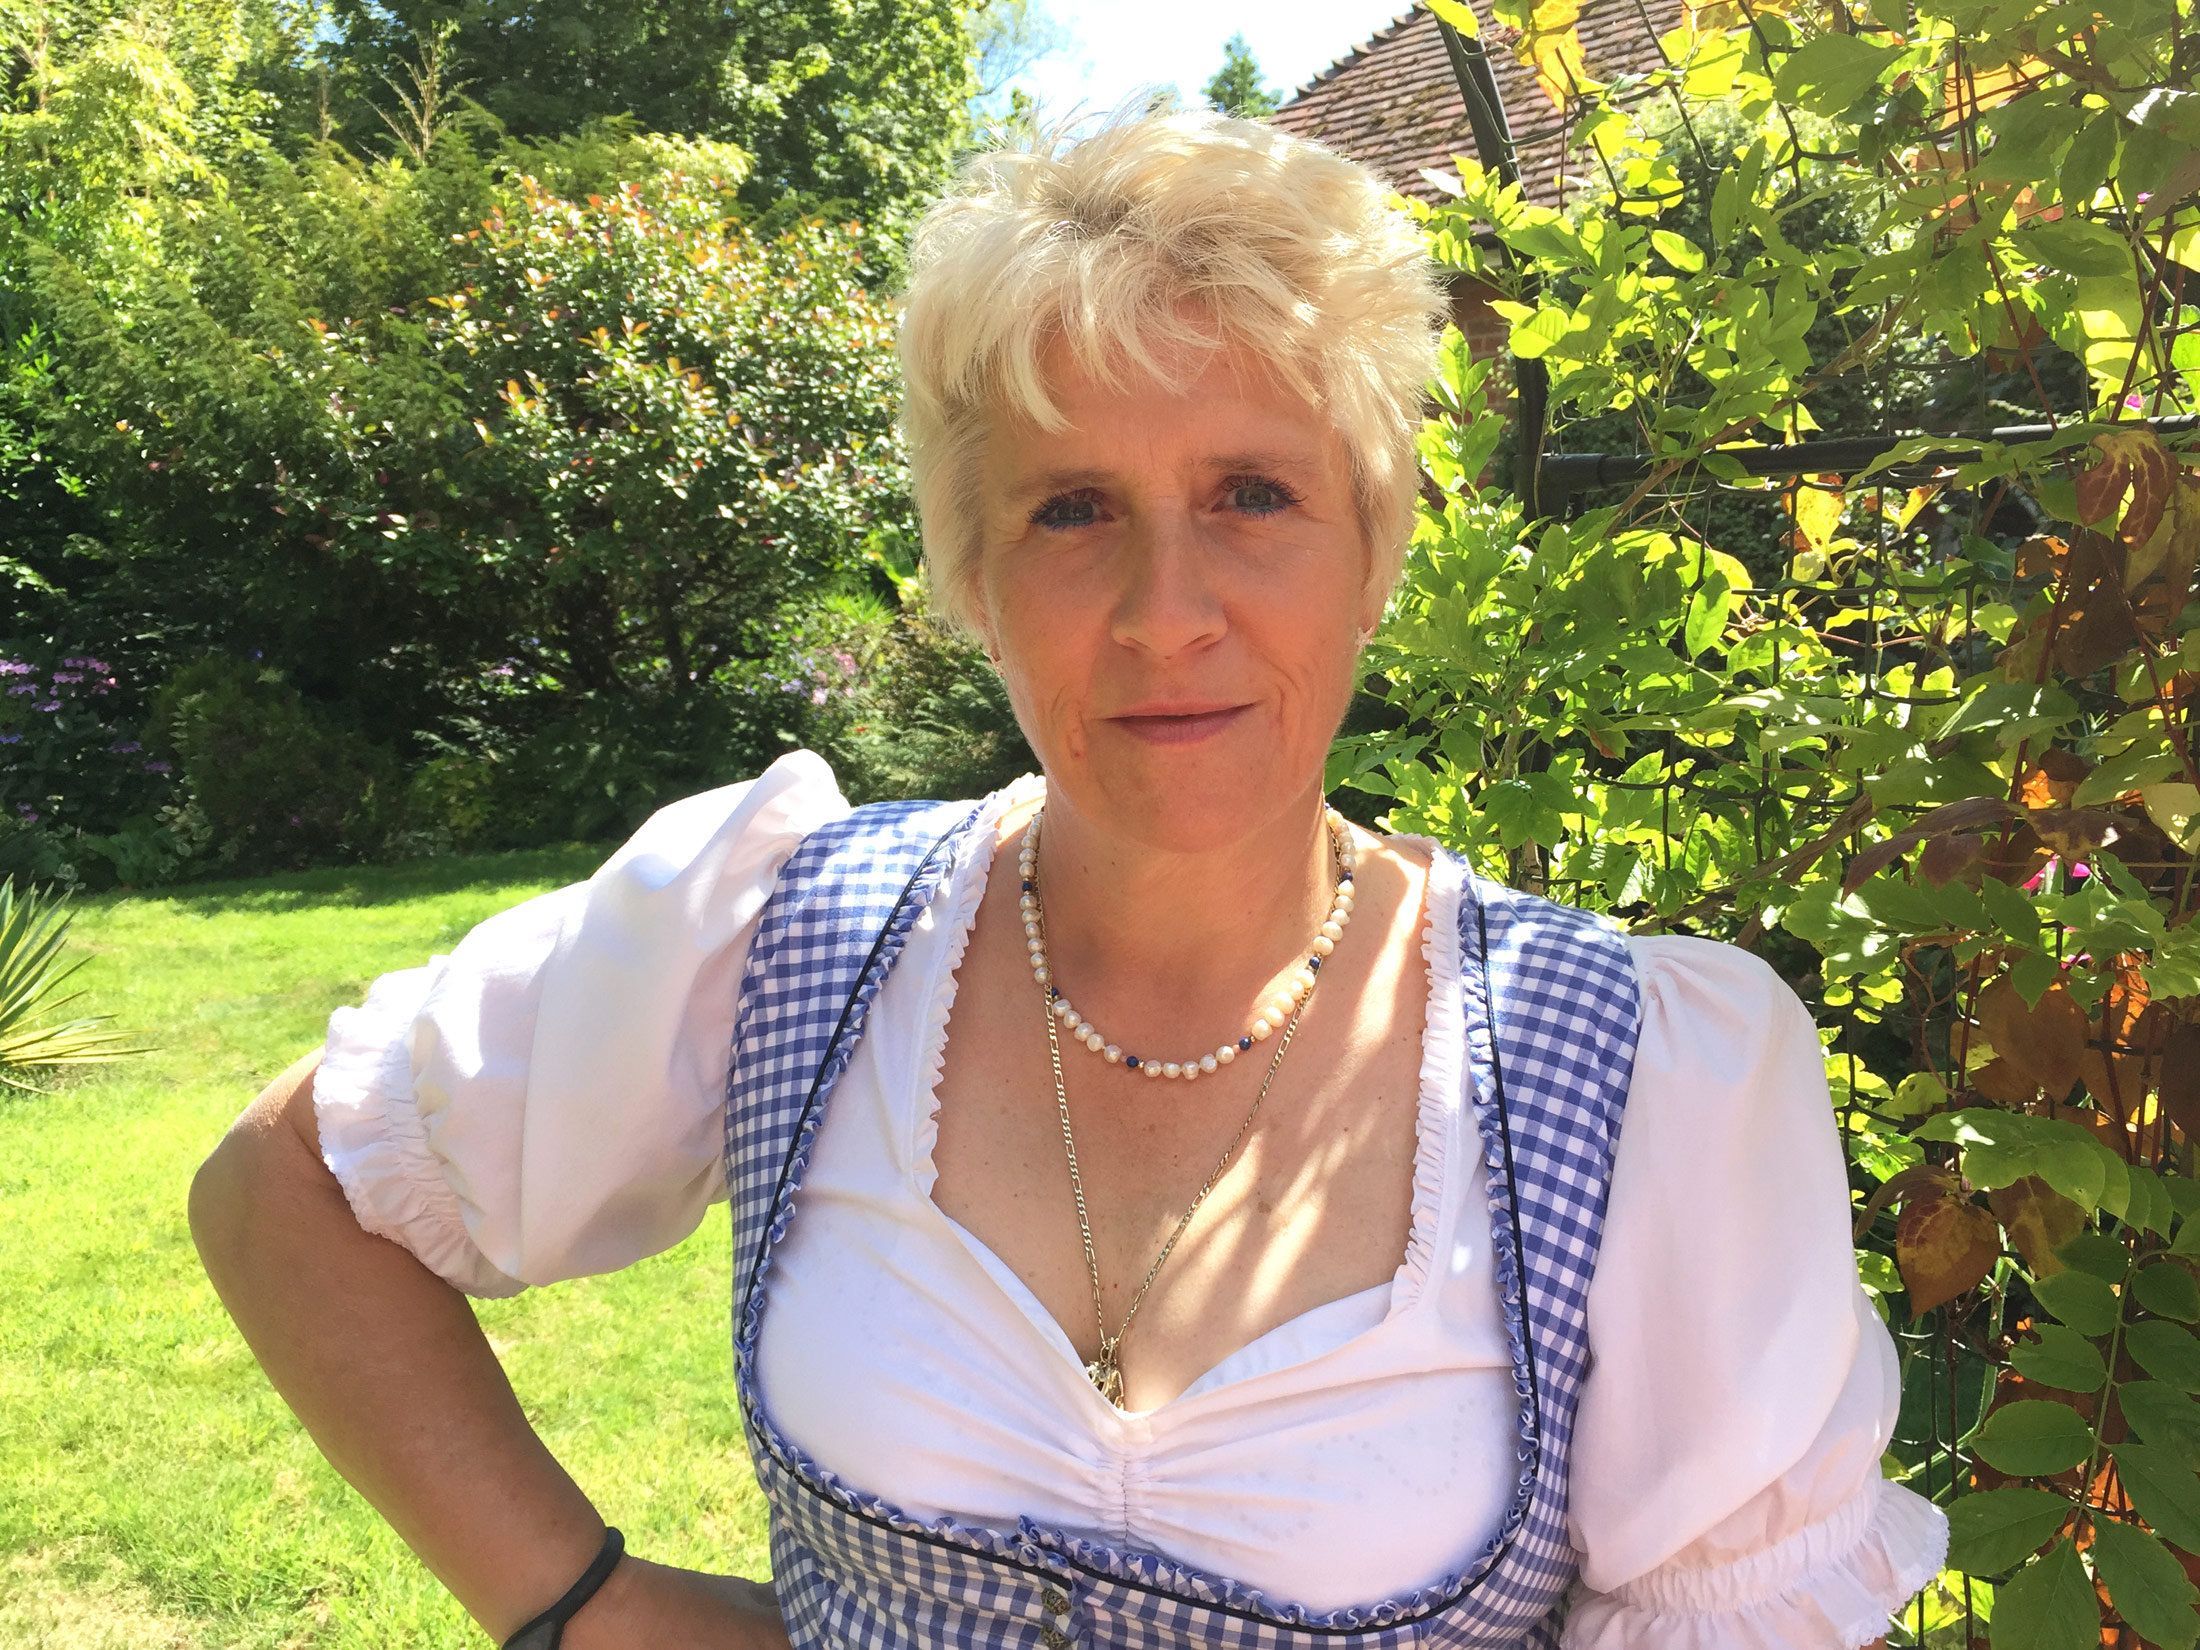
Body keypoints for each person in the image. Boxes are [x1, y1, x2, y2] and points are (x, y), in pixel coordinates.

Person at [191, 111, 1948, 1649]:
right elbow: (287, 1186)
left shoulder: (1628, 1077)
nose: (1166, 613)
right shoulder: (794, 932)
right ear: (974, 575)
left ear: (1373, 549)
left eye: (1252, 493)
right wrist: (586, 1605)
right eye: (1072, 510)